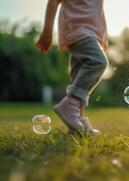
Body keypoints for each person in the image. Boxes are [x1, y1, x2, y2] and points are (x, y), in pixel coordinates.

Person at [36, 0, 108, 135]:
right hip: (79, 29)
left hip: (90, 33)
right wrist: (47, 30)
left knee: (79, 75)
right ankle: (70, 102)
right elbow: (53, 1)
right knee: (98, 61)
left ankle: (77, 123)